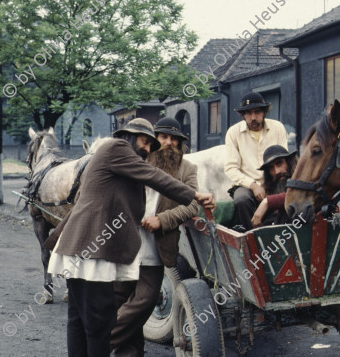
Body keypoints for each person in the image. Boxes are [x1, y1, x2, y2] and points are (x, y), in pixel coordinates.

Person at [44, 118, 214, 357]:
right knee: (98, 319)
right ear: (130, 135)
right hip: (94, 246)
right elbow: (154, 177)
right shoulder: (117, 148)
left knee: (80, 318)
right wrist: (195, 194)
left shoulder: (114, 157)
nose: (148, 148)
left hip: (83, 244)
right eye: (146, 141)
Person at [110, 117, 199, 356]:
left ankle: (97, 343)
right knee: (121, 301)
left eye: (174, 139)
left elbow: (192, 206)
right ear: (154, 140)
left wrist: (163, 219)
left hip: (157, 248)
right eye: (163, 137)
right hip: (126, 244)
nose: (169, 143)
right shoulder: (137, 161)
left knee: (145, 302)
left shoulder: (187, 169)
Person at [224, 92, 287, 231]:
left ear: (264, 112)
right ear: (243, 115)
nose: (253, 117)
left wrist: (268, 185)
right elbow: (231, 168)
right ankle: (252, 236)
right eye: (248, 113)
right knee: (241, 200)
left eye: (257, 112)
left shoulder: (278, 128)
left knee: (289, 197)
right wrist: (253, 185)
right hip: (246, 184)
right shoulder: (233, 133)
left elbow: (284, 160)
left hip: (274, 180)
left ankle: (280, 232)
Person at [251, 145, 298, 228]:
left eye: (279, 163)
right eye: (271, 168)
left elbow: (298, 195)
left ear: (289, 162)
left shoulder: (302, 177)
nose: (276, 172)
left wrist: (268, 202)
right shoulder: (269, 186)